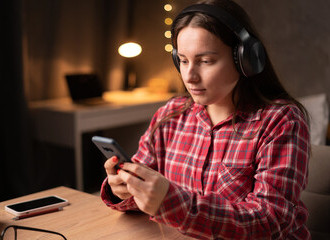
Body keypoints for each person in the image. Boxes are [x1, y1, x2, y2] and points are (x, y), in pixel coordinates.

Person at [100, 0, 310, 239]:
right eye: (184, 60)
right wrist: (124, 190)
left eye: (206, 61)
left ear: (246, 60)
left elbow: (271, 219)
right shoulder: (171, 115)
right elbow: (147, 198)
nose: (189, 76)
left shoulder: (281, 121)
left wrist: (171, 202)